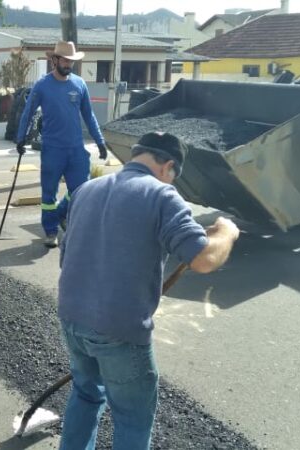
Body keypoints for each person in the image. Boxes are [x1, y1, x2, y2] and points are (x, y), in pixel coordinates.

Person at [57, 132, 240, 450]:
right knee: (132, 418)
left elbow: (67, 257)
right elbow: (204, 259)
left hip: (72, 318)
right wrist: (227, 232)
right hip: (120, 331)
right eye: (173, 177)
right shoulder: (162, 196)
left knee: (86, 395)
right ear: (168, 166)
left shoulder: (86, 190)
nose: (171, 184)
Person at [16, 41, 108, 248]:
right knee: (49, 194)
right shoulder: (42, 85)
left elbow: (89, 115)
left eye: (71, 61)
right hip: (52, 149)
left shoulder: (79, 84)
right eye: (65, 60)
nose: (69, 64)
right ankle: (50, 231)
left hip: (76, 149)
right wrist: (21, 137)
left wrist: (100, 141)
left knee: (80, 190)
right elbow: (28, 112)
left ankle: (61, 213)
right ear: (54, 60)